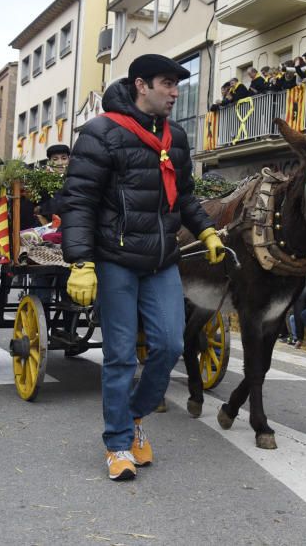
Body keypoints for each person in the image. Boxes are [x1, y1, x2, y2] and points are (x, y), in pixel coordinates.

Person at [61, 53, 224, 481]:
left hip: (161, 259)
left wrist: (206, 231)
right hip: (115, 261)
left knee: (169, 345)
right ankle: (117, 444)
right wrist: (81, 261)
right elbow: (79, 201)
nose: (175, 92)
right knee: (118, 357)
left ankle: (131, 417)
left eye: (176, 84)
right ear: (140, 85)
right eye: (167, 84)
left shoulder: (177, 137)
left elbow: (184, 195)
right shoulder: (101, 133)